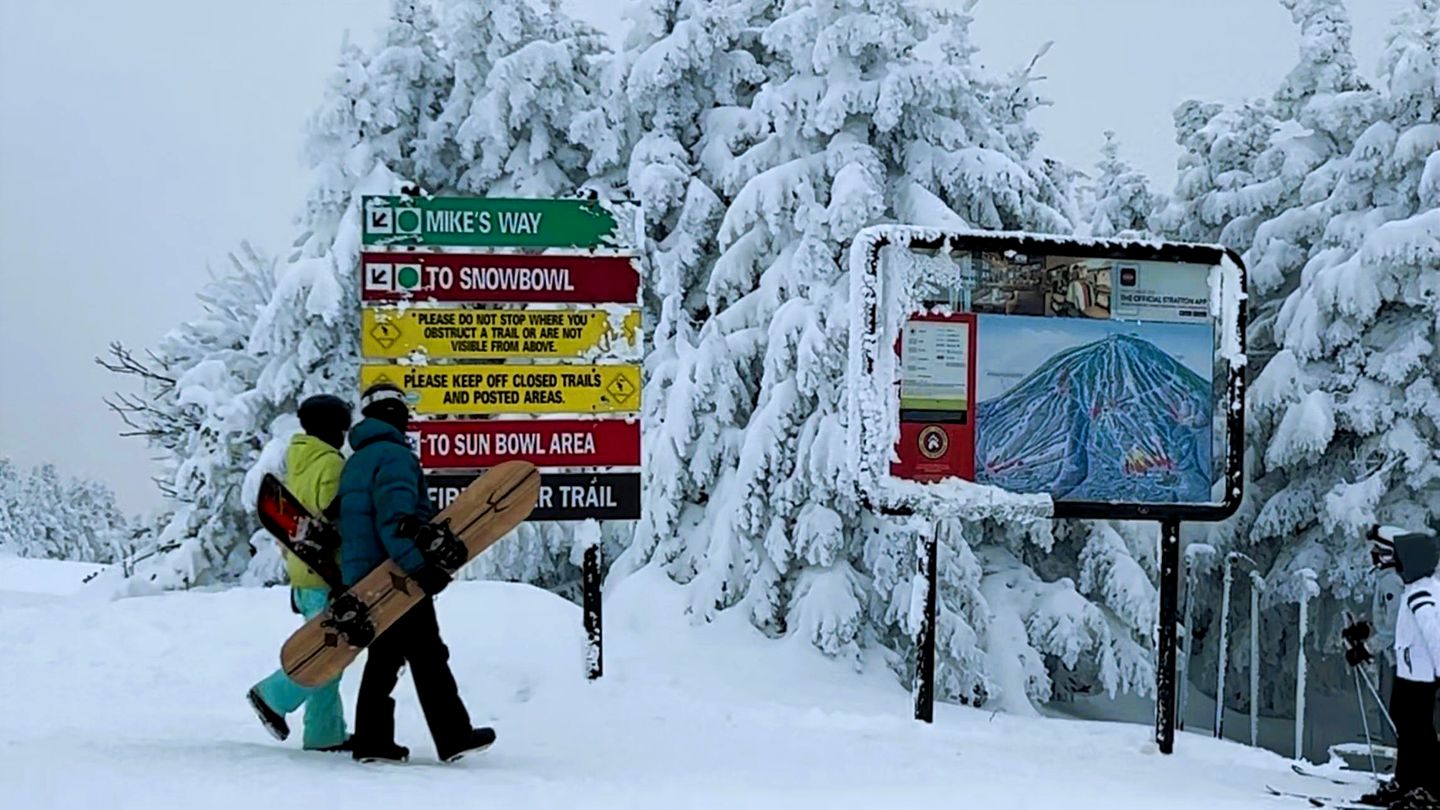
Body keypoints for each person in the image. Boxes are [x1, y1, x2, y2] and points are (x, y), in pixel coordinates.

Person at [335, 382, 494, 764]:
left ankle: (372, 740)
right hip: (395, 574)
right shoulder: (394, 457)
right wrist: (419, 568)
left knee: (386, 655)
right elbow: (397, 520)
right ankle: (453, 736)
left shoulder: (356, 461)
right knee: (427, 653)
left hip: (365, 575)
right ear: (395, 415)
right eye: (404, 412)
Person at [246, 394, 353, 752]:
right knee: (327, 656)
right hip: (327, 574)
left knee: (329, 652)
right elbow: (333, 514)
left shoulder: (298, 461)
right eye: (342, 427)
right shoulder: (330, 463)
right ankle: (273, 695)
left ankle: (326, 734)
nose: (344, 434)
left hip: (304, 576)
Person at [1360, 526, 1440, 809]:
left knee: (1417, 728)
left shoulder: (1418, 593)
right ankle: (1407, 782)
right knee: (1407, 724)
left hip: (1421, 672)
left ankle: (1430, 787)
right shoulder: (1410, 588)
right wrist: (1366, 632)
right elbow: (1392, 624)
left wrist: (1367, 647)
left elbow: (1431, 634)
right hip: (1410, 670)